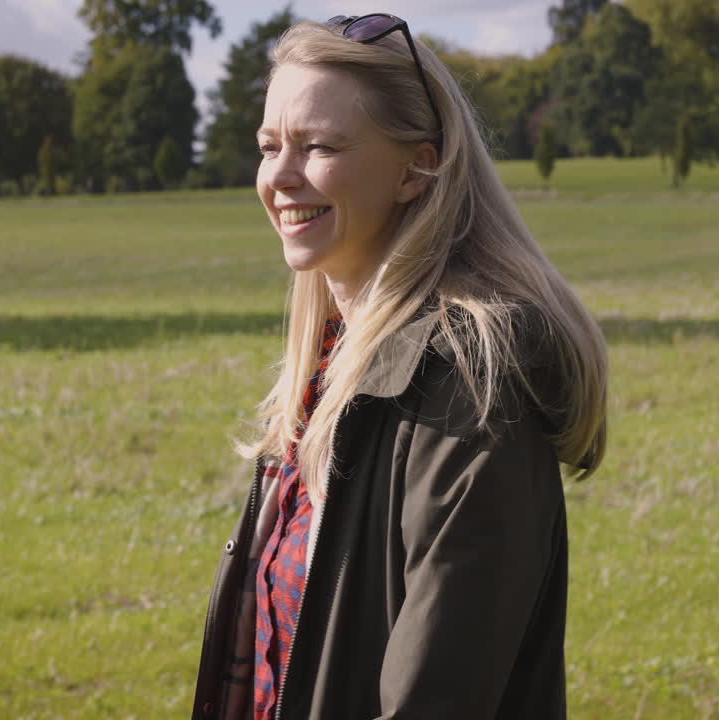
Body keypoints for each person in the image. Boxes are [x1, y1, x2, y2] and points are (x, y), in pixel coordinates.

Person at [191, 14, 608, 720]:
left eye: (318, 146)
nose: (280, 178)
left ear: (418, 168)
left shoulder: (468, 386)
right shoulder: (328, 364)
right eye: (269, 147)